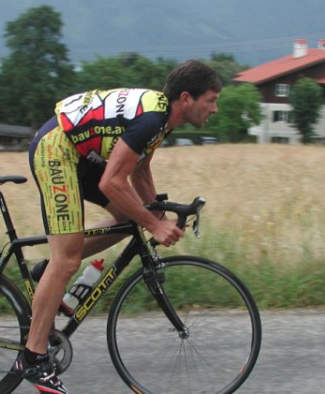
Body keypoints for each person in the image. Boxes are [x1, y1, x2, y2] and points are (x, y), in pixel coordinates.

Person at [14, 60, 222, 393]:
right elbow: (112, 182)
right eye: (210, 100)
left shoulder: (162, 118)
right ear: (186, 98)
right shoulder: (152, 119)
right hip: (57, 150)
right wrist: (153, 224)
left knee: (127, 219)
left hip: (83, 155)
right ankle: (32, 358)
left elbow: (139, 172)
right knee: (67, 259)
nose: (215, 109)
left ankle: (47, 274)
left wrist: (159, 215)